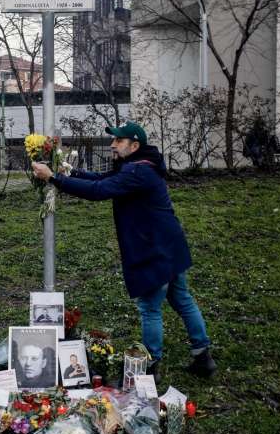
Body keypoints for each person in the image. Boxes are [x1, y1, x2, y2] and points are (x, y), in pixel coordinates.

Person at [32, 121, 216, 381]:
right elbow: (101, 179)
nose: (112, 145)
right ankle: (203, 357)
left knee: (150, 308)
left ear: (134, 145)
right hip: (170, 245)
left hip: (154, 249)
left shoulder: (137, 172)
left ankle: (150, 367)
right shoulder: (138, 167)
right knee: (182, 299)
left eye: (118, 141)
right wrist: (69, 172)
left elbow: (99, 191)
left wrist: (53, 178)